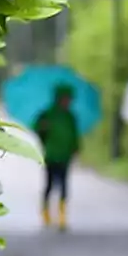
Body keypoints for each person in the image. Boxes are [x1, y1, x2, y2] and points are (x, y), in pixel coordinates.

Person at [34, 85, 80, 229]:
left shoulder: (71, 117)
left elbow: (74, 135)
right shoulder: (47, 114)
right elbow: (37, 129)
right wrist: (42, 127)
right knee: (49, 185)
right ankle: (46, 212)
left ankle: (62, 215)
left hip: (65, 156)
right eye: (65, 99)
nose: (67, 102)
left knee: (64, 185)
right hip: (51, 155)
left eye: (69, 99)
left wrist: (76, 148)